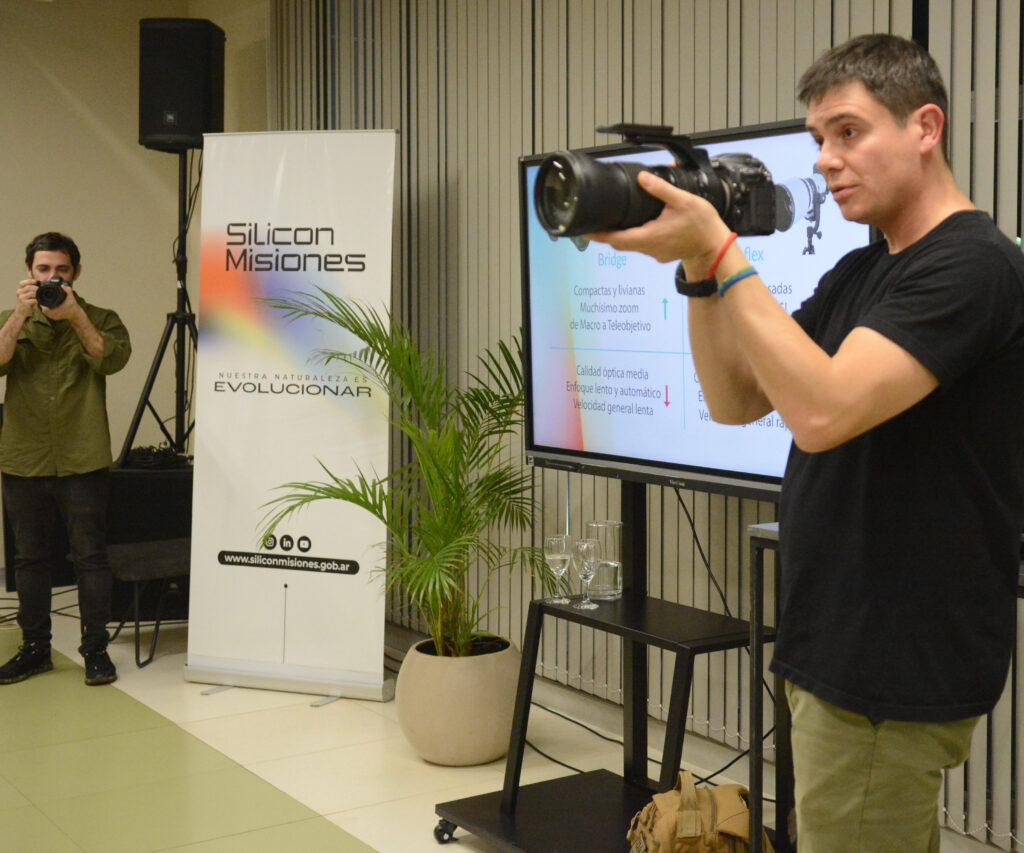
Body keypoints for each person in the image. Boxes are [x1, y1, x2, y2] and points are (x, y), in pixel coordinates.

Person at [592, 33, 1024, 853]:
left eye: (848, 131)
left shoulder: (973, 265)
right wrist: (700, 270)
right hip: (835, 643)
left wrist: (723, 249)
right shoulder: (863, 271)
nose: (825, 159)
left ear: (925, 127)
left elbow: (822, 413)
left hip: (887, 663)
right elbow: (735, 398)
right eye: (819, 138)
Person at [0, 232, 131, 686]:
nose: (52, 278)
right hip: (25, 455)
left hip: (82, 454)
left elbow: (109, 359)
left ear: (76, 272)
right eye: (43, 270)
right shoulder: (12, 319)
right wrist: (19, 315)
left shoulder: (101, 319)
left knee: (90, 557)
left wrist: (75, 316)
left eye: (61, 270)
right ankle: (35, 649)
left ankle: (95, 650)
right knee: (29, 559)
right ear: (29, 271)